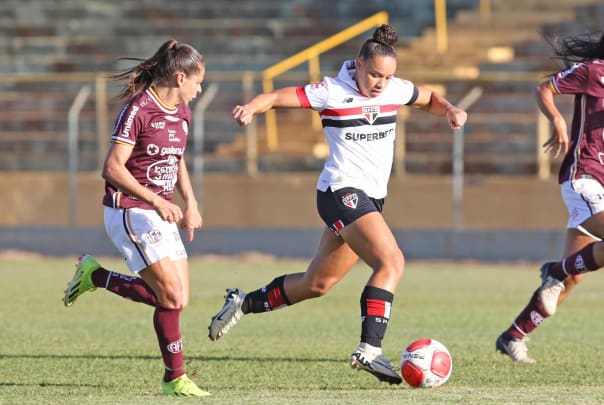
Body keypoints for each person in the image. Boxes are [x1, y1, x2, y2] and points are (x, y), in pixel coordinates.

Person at [207, 24, 467, 385]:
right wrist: (253, 107)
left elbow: (429, 98)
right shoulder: (331, 90)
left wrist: (451, 109)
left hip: (369, 199)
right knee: (391, 261)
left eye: (387, 75)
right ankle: (369, 350)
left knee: (317, 284)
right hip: (341, 193)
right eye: (374, 73)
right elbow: (281, 96)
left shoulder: (395, 88)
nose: (380, 82)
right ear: (358, 64)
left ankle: (243, 303)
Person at [496, 9, 604, 363]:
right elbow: (544, 88)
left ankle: (513, 335)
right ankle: (554, 269)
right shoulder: (593, 71)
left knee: (574, 275)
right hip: (584, 175)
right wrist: (557, 121)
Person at [62, 39, 210, 396]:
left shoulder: (183, 114)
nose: (200, 88)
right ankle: (175, 379)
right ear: (179, 78)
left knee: (178, 298)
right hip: (129, 209)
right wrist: (156, 201)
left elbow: (176, 160)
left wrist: (190, 203)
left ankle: (95, 275)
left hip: (159, 211)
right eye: (197, 81)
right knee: (171, 296)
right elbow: (112, 168)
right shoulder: (139, 109)